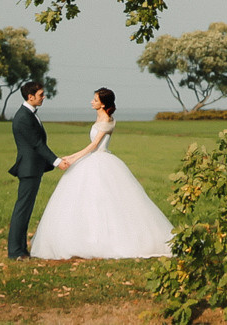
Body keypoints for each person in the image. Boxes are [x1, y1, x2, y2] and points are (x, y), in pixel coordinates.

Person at [28, 87, 174, 259]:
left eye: (95, 100)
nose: (92, 101)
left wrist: (74, 159)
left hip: (100, 160)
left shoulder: (106, 121)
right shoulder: (101, 118)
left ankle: (103, 241)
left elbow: (94, 146)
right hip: (93, 158)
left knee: (104, 200)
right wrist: (70, 156)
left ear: (103, 103)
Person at [6, 81, 58, 260]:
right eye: (41, 94)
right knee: (22, 209)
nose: (44, 97)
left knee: (25, 210)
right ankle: (15, 251)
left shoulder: (29, 114)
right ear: (30, 96)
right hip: (28, 169)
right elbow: (37, 144)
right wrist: (57, 161)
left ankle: (21, 250)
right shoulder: (23, 117)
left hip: (33, 168)